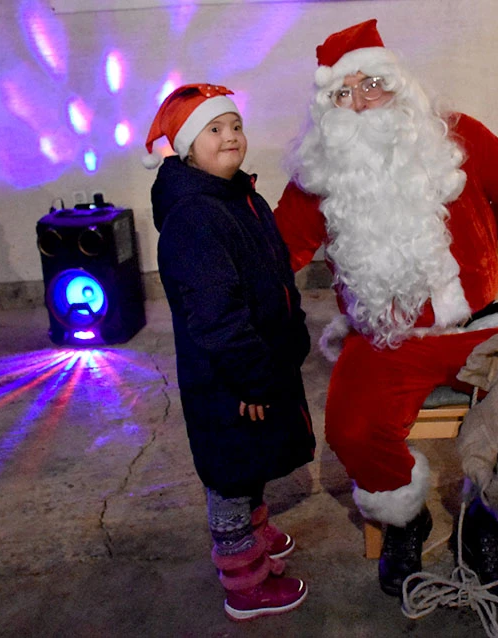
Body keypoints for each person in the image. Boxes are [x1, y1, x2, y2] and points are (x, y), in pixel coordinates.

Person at [274, 19, 498, 596]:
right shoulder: (321, 173)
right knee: (351, 428)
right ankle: (405, 520)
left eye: (371, 84)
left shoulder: (457, 136)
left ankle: (486, 521)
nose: (361, 104)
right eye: (343, 95)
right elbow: (275, 254)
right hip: (384, 340)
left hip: (481, 330)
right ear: (329, 109)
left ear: (398, 83)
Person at [144, 83, 316, 620]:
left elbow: (273, 272)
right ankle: (243, 580)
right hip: (230, 379)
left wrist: (292, 330)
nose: (231, 137)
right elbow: (215, 315)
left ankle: (254, 532)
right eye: (214, 130)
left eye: (235, 126)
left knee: (254, 460)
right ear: (188, 148)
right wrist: (251, 379)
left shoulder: (240, 196)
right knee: (231, 472)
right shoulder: (196, 218)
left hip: (258, 363)